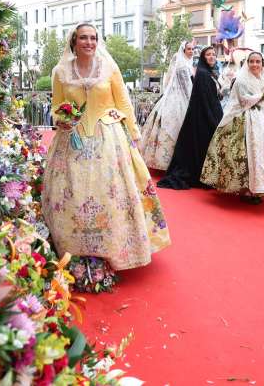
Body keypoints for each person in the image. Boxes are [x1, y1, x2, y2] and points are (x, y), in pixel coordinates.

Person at [42, 23, 170, 283]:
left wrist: (134, 135)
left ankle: (114, 251)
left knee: (111, 192)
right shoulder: (60, 71)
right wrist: (62, 119)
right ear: (74, 42)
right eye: (83, 38)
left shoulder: (109, 67)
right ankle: (74, 251)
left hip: (108, 138)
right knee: (72, 193)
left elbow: (123, 102)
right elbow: (56, 106)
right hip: (73, 138)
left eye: (93, 38)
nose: (89, 42)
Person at [200, 51, 264, 202]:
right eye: (251, 61)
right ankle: (245, 189)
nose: (255, 64)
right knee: (244, 154)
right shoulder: (241, 80)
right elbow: (244, 101)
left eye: (257, 62)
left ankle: (262, 187)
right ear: (247, 63)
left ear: (262, 63)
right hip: (244, 118)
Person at [158, 46, 223, 190]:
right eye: (208, 55)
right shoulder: (203, 74)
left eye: (213, 54)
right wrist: (213, 120)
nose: (212, 57)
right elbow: (205, 99)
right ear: (203, 57)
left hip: (208, 114)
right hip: (205, 117)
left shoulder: (208, 73)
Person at [140, 41, 194, 170]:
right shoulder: (182, 65)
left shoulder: (186, 63)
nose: (191, 51)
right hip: (178, 99)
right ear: (184, 50)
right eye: (189, 49)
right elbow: (187, 86)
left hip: (173, 97)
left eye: (193, 49)